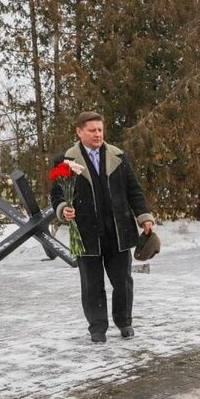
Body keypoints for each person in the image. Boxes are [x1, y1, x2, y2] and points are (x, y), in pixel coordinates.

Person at [51, 111, 154, 343]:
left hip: (118, 231)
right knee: (92, 284)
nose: (97, 134)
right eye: (92, 130)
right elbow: (57, 195)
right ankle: (97, 328)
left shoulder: (118, 156)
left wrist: (144, 217)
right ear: (79, 132)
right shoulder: (66, 160)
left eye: (100, 129)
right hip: (86, 233)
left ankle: (124, 322)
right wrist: (63, 209)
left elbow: (133, 190)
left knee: (122, 281)